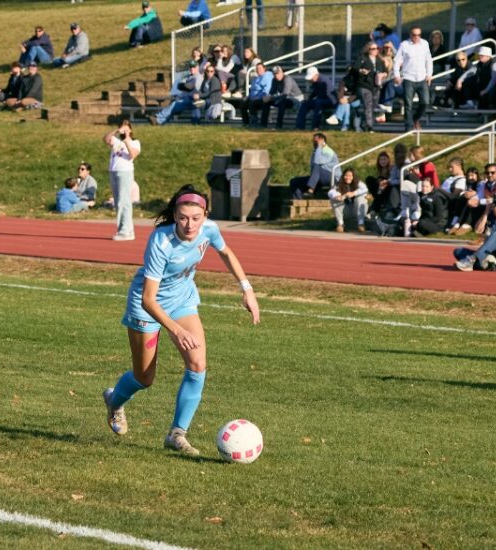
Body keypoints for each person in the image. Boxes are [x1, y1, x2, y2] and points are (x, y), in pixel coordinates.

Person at [101, 185, 260, 456]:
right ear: (175, 215)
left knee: (198, 364)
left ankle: (177, 433)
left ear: (205, 215)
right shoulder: (160, 242)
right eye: (184, 217)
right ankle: (114, 401)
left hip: (182, 301)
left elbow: (226, 253)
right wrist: (175, 330)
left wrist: (247, 289)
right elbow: (148, 299)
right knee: (144, 377)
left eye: (196, 218)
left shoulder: (209, 228)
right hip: (146, 308)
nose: (190, 224)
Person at [454, 191, 496, 270]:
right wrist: (486, 213)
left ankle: (473, 261)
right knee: (458, 251)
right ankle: (487, 263)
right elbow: (477, 230)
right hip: (494, 252)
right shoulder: (492, 214)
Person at [105, 120, 140, 241]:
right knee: (118, 201)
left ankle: (125, 231)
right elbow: (106, 139)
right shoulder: (116, 141)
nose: (124, 130)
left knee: (123, 201)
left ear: (130, 129)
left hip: (125, 172)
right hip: (113, 171)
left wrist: (127, 141)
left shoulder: (135, 142)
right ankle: (128, 230)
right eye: (122, 127)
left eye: (126, 128)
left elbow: (133, 155)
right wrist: (116, 131)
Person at [393, 26, 434, 131]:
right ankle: (408, 127)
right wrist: (397, 75)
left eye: (418, 35)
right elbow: (397, 61)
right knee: (408, 105)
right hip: (408, 78)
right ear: (410, 35)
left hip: (422, 78)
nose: (416, 37)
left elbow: (428, 60)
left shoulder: (424, 44)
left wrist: (429, 74)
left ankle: (415, 119)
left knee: (425, 102)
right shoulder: (404, 45)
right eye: (414, 35)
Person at [289, 133, 341, 199]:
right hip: (318, 178)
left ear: (322, 140)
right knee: (294, 182)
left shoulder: (328, 151)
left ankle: (311, 190)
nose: (314, 143)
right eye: (313, 141)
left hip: (333, 178)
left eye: (316, 141)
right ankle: (299, 202)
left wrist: (319, 146)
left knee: (317, 166)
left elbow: (317, 161)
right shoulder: (316, 151)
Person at [353, 42, 387, 131]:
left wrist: (383, 74)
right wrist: (361, 70)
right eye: (373, 49)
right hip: (365, 85)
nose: (376, 51)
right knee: (368, 104)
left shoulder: (379, 60)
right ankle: (369, 126)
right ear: (368, 50)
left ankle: (364, 124)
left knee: (373, 106)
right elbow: (354, 68)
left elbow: (385, 70)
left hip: (376, 86)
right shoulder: (363, 59)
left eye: (377, 48)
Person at [328, 168, 368, 233]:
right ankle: (340, 224)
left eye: (350, 176)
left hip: (357, 210)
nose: (348, 177)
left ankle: (361, 224)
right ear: (343, 176)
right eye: (346, 175)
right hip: (346, 211)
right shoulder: (339, 184)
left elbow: (365, 189)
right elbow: (331, 192)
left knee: (361, 198)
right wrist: (338, 196)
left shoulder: (358, 183)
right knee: (334, 199)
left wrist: (354, 193)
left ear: (353, 176)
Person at [245, 61, 273, 126]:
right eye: (257, 69)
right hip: (253, 97)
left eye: (260, 68)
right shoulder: (256, 78)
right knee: (243, 103)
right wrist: (248, 96)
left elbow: (266, 91)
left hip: (263, 98)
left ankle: (254, 122)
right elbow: (252, 90)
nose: (258, 70)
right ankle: (246, 123)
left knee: (252, 103)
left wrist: (258, 97)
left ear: (264, 69)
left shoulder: (267, 76)